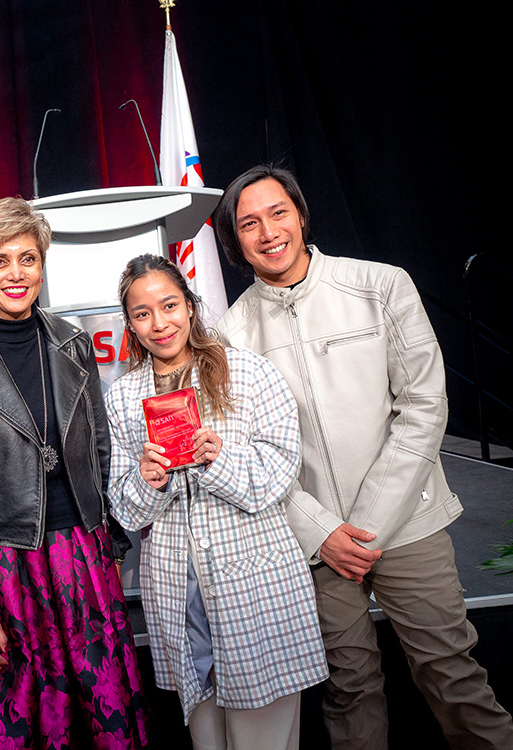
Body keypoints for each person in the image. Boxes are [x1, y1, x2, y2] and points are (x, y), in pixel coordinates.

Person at [214, 164, 513, 750]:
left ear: (300, 214)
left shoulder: (381, 285)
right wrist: (323, 531)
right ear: (235, 240)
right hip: (313, 542)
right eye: (249, 223)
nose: (268, 232)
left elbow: (425, 405)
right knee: (349, 691)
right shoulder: (229, 334)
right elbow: (246, 453)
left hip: (407, 523)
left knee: (452, 676)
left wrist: (368, 523)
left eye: (278, 213)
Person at [0, 197, 148, 749]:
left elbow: (100, 449)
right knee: (18, 720)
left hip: (83, 557)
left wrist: (111, 547)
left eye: (28, 258)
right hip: (3, 565)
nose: (16, 274)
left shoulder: (73, 342)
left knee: (103, 712)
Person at [104, 254, 327, 750]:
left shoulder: (247, 373)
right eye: (142, 314)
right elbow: (125, 508)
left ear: (190, 305)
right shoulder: (121, 399)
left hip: (253, 578)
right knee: (207, 740)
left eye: (169, 305)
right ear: (130, 325)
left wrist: (217, 461)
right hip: (176, 590)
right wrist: (149, 480)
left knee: (262, 742)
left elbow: (278, 476)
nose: (159, 323)